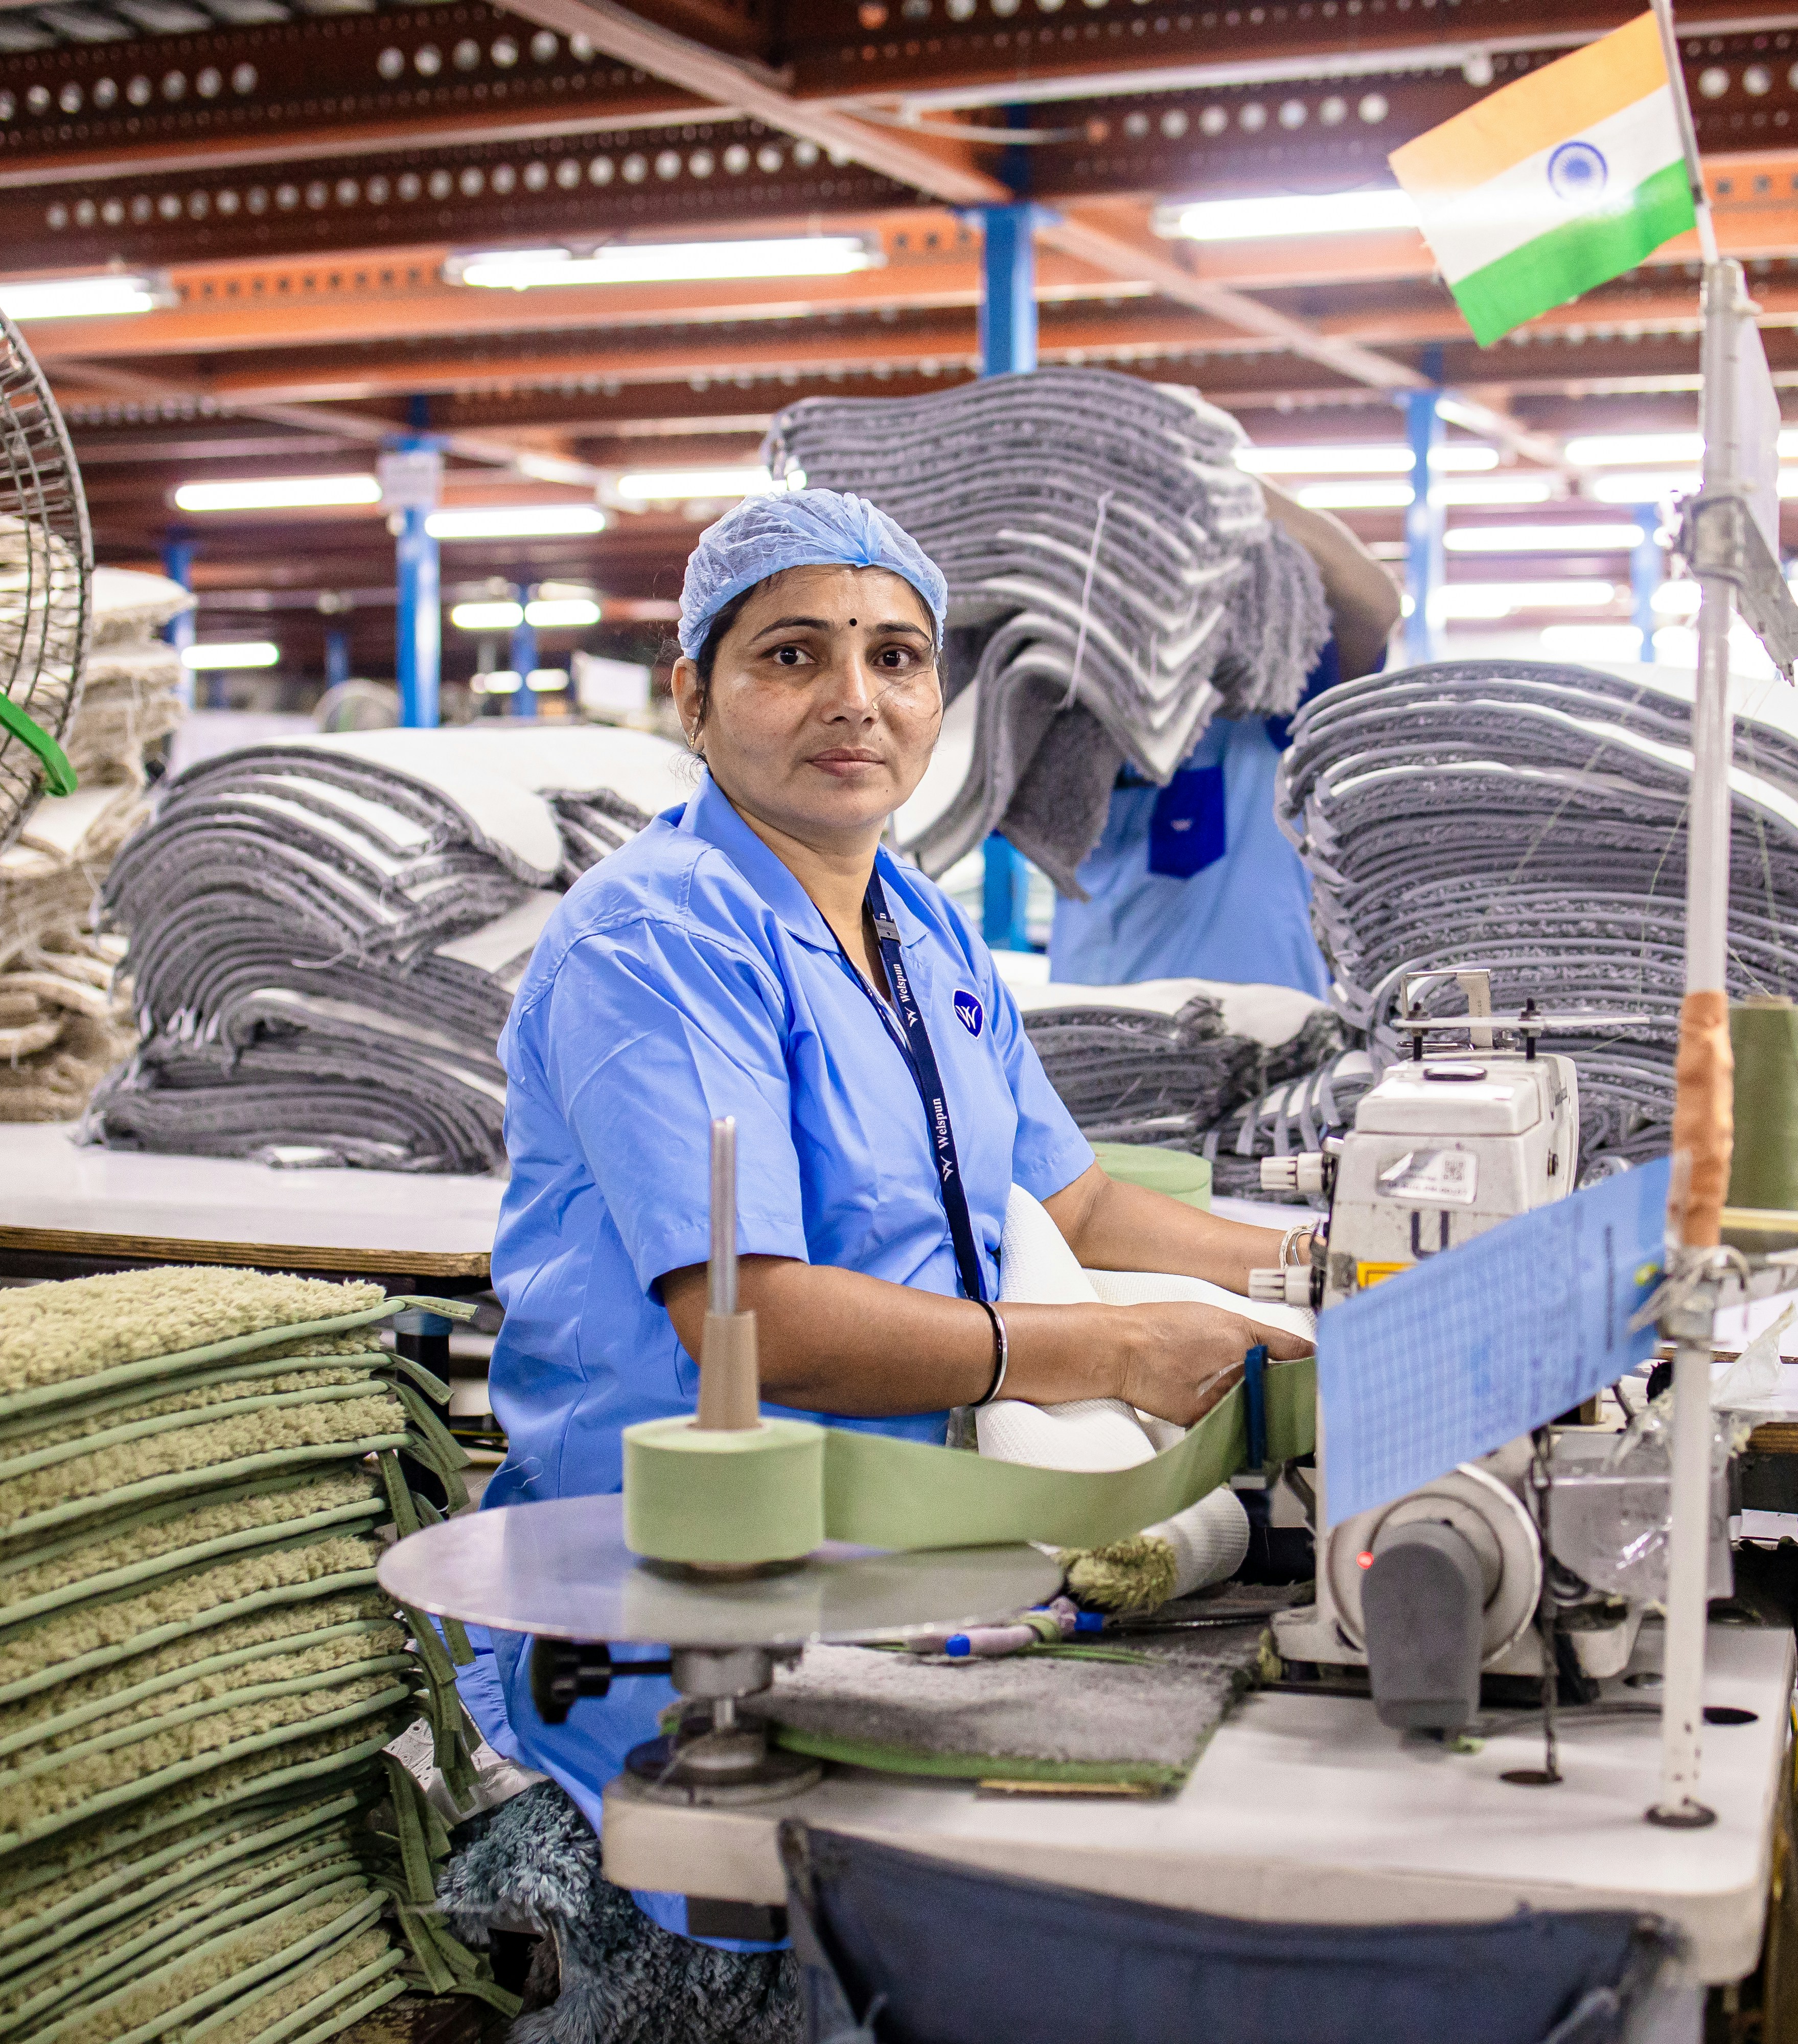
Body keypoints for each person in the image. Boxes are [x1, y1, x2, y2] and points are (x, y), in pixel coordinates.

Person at [454, 489, 1315, 2029]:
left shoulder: (920, 928)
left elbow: (1079, 1206)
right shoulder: (655, 940)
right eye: (792, 655)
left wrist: (1319, 1264)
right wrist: (1113, 1352)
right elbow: (756, 1318)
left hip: (903, 1562)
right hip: (688, 1612)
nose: (854, 698)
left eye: (896, 658)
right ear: (695, 696)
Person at [1044, 486, 1398, 994]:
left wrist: (1208, 478)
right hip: (1096, 1038)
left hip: (1262, 1042)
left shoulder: (1278, 704)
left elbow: (1375, 604)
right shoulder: (1061, 713)